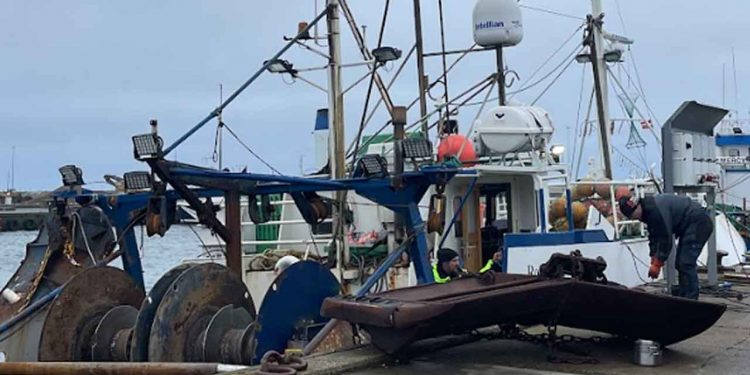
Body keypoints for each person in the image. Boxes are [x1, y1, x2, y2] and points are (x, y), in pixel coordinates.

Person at [618, 194, 713, 300]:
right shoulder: (648, 209)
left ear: (637, 207)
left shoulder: (655, 211)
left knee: (685, 263)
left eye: (633, 216)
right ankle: (684, 294)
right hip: (690, 224)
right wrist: (653, 256)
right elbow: (654, 236)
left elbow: (665, 239)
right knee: (681, 263)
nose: (635, 219)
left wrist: (657, 264)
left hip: (699, 223)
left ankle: (691, 297)